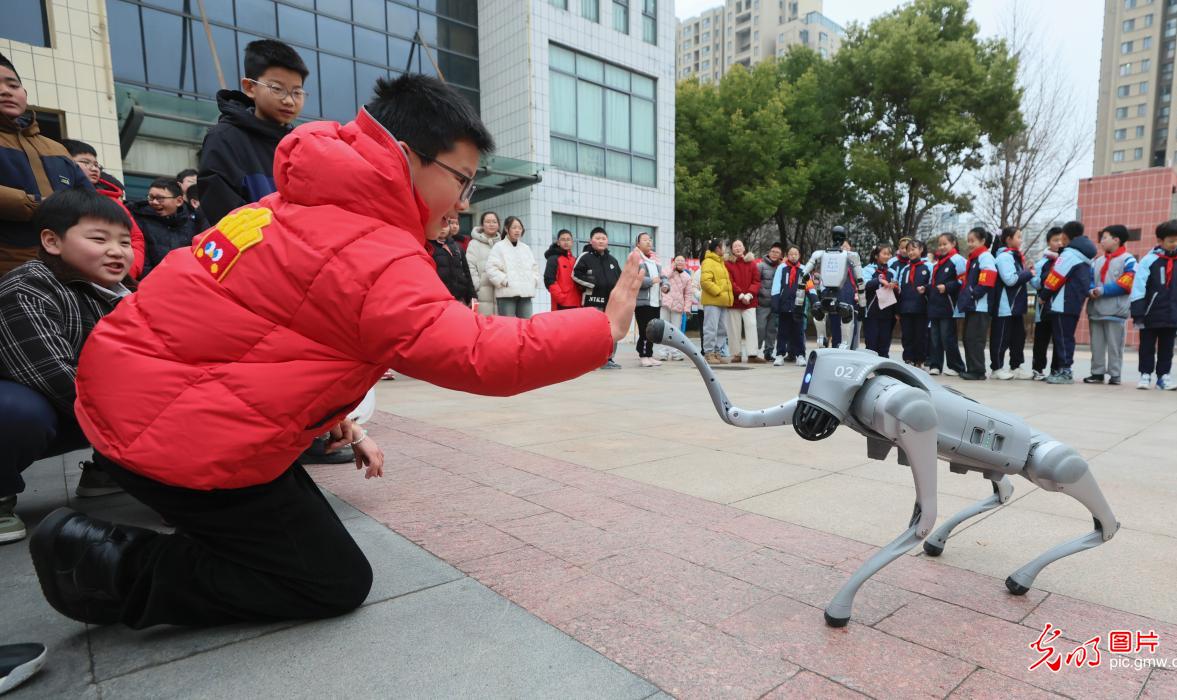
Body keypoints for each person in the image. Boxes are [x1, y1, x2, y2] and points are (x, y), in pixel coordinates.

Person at [28, 74, 644, 630]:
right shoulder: (372, 246)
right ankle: (103, 567)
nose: (464, 201)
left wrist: (326, 418)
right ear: (406, 157)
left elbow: (257, 332)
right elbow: (478, 352)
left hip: (139, 398)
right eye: (461, 180)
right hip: (173, 434)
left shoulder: (288, 206)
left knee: (305, 544)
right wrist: (603, 327)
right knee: (328, 581)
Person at [0, 189, 135, 543]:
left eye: (125, 241)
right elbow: (51, 377)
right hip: (31, 404)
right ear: (52, 241)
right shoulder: (27, 286)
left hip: (70, 407)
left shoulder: (123, 296)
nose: (117, 251)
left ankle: (105, 473)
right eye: (99, 238)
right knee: (18, 409)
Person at [0, 53, 93, 275]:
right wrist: (36, 205)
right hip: (8, 269)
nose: (5, 90)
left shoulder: (56, 148)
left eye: (13, 85)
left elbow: (89, 201)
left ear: (25, 93)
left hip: (64, 267)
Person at [197, 40, 308, 224]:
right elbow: (225, 214)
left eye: (297, 92)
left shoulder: (302, 144)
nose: (289, 101)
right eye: (277, 89)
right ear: (250, 87)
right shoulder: (224, 139)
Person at [63, 139, 146, 279]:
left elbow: (135, 238)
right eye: (86, 162)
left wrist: (128, 271)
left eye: (96, 164)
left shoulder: (113, 201)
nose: (94, 168)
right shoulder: (57, 195)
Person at [1131, 219, 1177, 390]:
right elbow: (1138, 286)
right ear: (1160, 241)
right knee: (1146, 346)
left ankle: (1164, 376)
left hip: (1174, 312)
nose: (1175, 243)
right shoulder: (1148, 260)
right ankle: (1145, 375)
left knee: (1167, 347)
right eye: (1171, 240)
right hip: (1150, 312)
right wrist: (1138, 310)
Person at [1040, 221, 1097, 385]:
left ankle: (1065, 371)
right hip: (1074, 302)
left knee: (1063, 338)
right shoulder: (1085, 256)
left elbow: (1054, 277)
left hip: (1062, 302)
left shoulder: (1069, 255)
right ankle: (1063, 369)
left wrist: (1044, 295)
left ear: (1065, 236)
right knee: (1066, 337)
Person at [1084, 224, 1136, 386]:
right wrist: (1091, 289)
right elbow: (1090, 280)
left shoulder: (1129, 260)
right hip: (1096, 309)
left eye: (1105, 237)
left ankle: (1115, 374)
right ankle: (1097, 373)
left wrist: (1103, 290)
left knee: (1115, 345)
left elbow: (1127, 283)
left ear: (1116, 240)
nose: (1101, 241)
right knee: (1096, 344)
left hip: (1116, 310)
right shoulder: (1097, 261)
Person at [129, 177, 204, 276]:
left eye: (160, 199)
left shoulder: (194, 221)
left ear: (179, 201)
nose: (154, 202)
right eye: (151, 197)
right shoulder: (138, 219)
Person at [573, 227, 623, 369]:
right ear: (591, 240)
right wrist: (593, 284)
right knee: (592, 332)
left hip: (611, 304)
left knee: (611, 332)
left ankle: (609, 359)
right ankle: (591, 360)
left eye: (603, 238)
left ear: (607, 241)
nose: (601, 241)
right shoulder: (585, 257)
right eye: (597, 238)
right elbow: (575, 275)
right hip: (592, 303)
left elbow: (620, 279)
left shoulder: (612, 260)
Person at [988, 227, 1034, 380]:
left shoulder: (1014, 256)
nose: (1021, 240)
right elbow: (1010, 279)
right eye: (1018, 237)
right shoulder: (1004, 257)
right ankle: (997, 368)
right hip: (1005, 305)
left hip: (1015, 306)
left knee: (1018, 337)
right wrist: (1028, 273)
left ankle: (1016, 366)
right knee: (1001, 337)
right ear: (1008, 239)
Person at [957, 227, 997, 380]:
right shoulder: (974, 258)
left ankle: (978, 370)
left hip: (981, 306)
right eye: (969, 240)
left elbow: (988, 280)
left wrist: (974, 295)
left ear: (982, 241)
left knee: (975, 339)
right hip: (973, 305)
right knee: (968, 338)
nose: (970, 244)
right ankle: (972, 368)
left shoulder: (985, 257)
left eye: (973, 241)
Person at [927, 233, 966, 376]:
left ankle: (956, 366)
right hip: (935, 305)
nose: (942, 247)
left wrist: (947, 287)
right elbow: (933, 283)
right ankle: (935, 365)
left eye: (945, 244)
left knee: (947, 337)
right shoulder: (937, 263)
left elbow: (963, 280)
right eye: (940, 244)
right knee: (935, 337)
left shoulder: (957, 260)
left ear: (953, 244)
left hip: (948, 305)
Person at [486, 216, 539, 319]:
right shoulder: (499, 247)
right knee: (508, 326)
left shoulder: (526, 248)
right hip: (507, 293)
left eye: (519, 228)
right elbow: (491, 268)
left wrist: (533, 281)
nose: (517, 230)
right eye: (514, 227)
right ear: (506, 229)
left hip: (525, 293)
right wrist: (505, 281)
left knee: (526, 325)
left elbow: (534, 268)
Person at [1029, 227, 1065, 381]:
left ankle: (1056, 370)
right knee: (1041, 340)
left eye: (1062, 240)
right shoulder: (1042, 262)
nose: (1059, 243)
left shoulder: (1066, 260)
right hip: (1043, 307)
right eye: (1055, 240)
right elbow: (1036, 284)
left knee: (1059, 340)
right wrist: (1032, 275)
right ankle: (1038, 369)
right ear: (1048, 242)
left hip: (1061, 307)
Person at [723, 240, 762, 363]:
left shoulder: (752, 263)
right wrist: (740, 295)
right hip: (735, 301)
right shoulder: (728, 264)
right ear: (732, 249)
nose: (737, 248)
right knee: (734, 328)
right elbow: (729, 281)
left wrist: (749, 295)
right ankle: (736, 354)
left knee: (751, 325)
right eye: (735, 246)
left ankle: (752, 354)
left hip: (749, 301)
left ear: (744, 248)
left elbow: (756, 281)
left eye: (740, 245)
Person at [771, 246, 807, 366]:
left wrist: (814, 300)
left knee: (799, 332)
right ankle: (780, 354)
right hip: (784, 305)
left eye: (796, 254)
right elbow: (776, 286)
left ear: (799, 255)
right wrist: (775, 302)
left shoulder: (804, 269)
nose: (793, 256)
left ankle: (800, 355)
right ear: (787, 255)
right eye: (791, 254)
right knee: (782, 331)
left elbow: (810, 287)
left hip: (798, 305)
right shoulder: (782, 268)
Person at [896, 239, 930, 367]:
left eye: (913, 249)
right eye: (908, 250)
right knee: (907, 336)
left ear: (921, 250)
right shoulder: (905, 269)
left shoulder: (928, 266)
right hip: (906, 308)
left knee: (920, 336)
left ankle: (919, 360)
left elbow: (931, 285)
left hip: (921, 308)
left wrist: (925, 289)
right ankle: (908, 359)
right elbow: (900, 289)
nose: (910, 252)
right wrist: (898, 310)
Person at [631, 232, 663, 367]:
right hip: (643, 302)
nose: (648, 242)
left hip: (655, 301)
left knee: (652, 330)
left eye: (650, 240)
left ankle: (649, 354)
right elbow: (633, 278)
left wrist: (665, 285)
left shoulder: (655, 260)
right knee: (644, 329)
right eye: (644, 240)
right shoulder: (635, 258)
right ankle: (643, 355)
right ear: (638, 243)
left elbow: (663, 277)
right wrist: (651, 281)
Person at [700, 239, 733, 365]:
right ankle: (709, 353)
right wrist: (718, 292)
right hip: (713, 301)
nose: (725, 248)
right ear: (717, 248)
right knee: (711, 328)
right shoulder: (708, 261)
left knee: (722, 329)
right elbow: (705, 282)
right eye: (723, 246)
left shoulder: (721, 262)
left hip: (722, 301)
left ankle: (717, 352)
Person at [862, 244, 898, 358]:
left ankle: (884, 369)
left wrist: (895, 286)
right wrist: (879, 280)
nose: (888, 256)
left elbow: (897, 289)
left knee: (884, 343)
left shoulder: (892, 271)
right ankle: (870, 366)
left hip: (888, 312)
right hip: (872, 312)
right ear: (877, 255)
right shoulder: (868, 269)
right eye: (885, 253)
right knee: (871, 343)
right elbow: (864, 285)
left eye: (889, 254)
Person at [429, 218, 473, 306]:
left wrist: (472, 295)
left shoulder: (457, 247)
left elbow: (466, 272)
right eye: (438, 224)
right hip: (438, 298)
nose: (442, 228)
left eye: (445, 225)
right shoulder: (428, 246)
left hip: (459, 297)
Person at [466, 211, 502, 316]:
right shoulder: (474, 244)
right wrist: (477, 286)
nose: (491, 224)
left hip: (500, 293)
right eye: (488, 222)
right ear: (482, 225)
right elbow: (470, 267)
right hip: (481, 294)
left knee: (501, 327)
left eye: (494, 222)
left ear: (498, 225)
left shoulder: (503, 244)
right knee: (483, 325)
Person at [658, 255, 693, 360]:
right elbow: (662, 278)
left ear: (685, 263)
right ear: (673, 261)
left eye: (682, 260)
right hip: (665, 304)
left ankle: (675, 353)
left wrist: (687, 308)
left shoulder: (687, 277)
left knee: (676, 330)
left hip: (678, 306)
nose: (680, 262)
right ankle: (663, 353)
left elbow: (688, 294)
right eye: (677, 260)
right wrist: (672, 269)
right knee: (663, 329)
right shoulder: (667, 271)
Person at [756, 242, 783, 362]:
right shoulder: (761, 266)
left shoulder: (782, 267)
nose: (774, 254)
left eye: (777, 252)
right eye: (773, 252)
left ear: (780, 255)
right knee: (760, 328)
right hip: (762, 303)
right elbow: (756, 283)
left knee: (772, 330)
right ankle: (755, 351)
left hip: (775, 304)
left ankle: (769, 352)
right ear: (769, 252)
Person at [543, 228, 581, 310]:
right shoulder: (553, 259)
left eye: (568, 239)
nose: (566, 242)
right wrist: (561, 298)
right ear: (558, 242)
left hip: (576, 303)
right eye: (563, 239)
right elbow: (549, 280)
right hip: (561, 304)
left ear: (572, 242)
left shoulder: (575, 260)